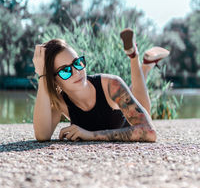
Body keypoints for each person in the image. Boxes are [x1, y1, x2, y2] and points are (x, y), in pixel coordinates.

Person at [32, 28, 169, 142]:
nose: (77, 72)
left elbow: (149, 132)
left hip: (131, 124)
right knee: (134, 94)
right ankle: (146, 65)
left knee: (143, 107)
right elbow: (42, 136)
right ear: (54, 80)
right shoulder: (59, 101)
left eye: (77, 63)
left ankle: (135, 57)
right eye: (65, 71)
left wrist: (90, 135)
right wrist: (42, 76)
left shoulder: (110, 84)